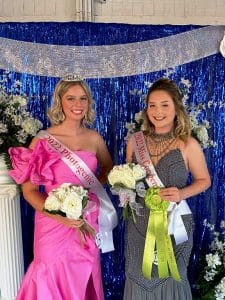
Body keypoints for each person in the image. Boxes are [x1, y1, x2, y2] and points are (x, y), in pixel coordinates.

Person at [9, 75, 117, 300]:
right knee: (50, 276)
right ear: (60, 101)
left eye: (83, 98)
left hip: (84, 222)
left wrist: (91, 194)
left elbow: (108, 169)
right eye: (71, 98)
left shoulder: (94, 138)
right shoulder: (43, 140)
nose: (78, 105)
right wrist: (59, 216)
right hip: (52, 226)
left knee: (84, 275)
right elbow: (29, 191)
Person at [124, 78, 211, 300]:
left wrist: (182, 194)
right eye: (152, 105)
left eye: (164, 105)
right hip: (140, 225)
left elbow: (204, 180)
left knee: (172, 277)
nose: (157, 111)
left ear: (176, 108)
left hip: (175, 224)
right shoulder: (135, 142)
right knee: (139, 278)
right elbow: (128, 182)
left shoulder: (188, 144)